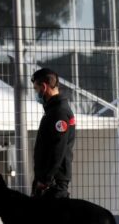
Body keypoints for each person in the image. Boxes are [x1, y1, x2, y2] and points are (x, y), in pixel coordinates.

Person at [31, 68, 76, 199]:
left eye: (36, 89)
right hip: (48, 182)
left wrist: (46, 179)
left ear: (44, 87)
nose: (36, 93)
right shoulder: (54, 110)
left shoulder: (59, 113)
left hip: (52, 184)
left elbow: (58, 149)